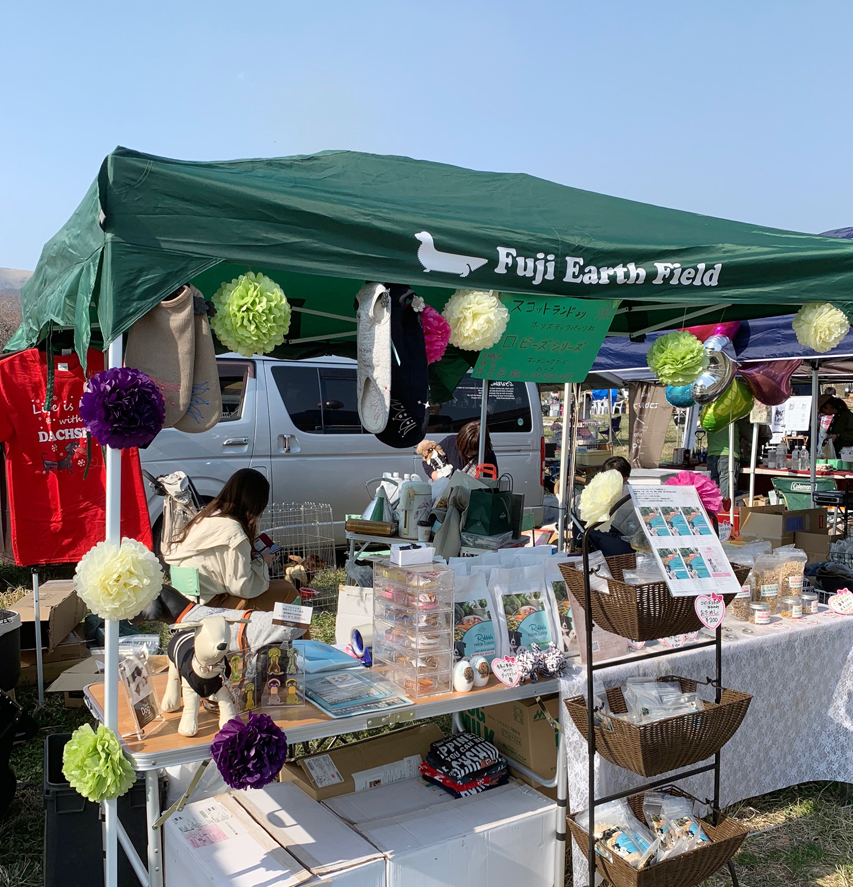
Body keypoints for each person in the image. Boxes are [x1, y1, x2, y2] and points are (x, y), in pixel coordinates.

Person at [163, 468, 298, 611]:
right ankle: (290, 633)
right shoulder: (233, 531)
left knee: (284, 587)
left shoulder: (205, 517)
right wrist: (263, 562)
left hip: (188, 599)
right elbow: (241, 586)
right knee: (289, 592)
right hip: (208, 605)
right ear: (256, 504)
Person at [422, 420, 497, 480]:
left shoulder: (488, 457)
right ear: (459, 441)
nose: (467, 453)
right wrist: (435, 475)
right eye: (464, 449)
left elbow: (492, 484)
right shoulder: (450, 442)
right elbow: (426, 459)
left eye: (472, 450)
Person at [706, 417, 751, 499]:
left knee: (713, 490)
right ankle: (724, 510)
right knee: (726, 490)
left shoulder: (711, 417)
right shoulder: (735, 417)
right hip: (728, 456)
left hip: (711, 456)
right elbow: (750, 435)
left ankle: (715, 510)